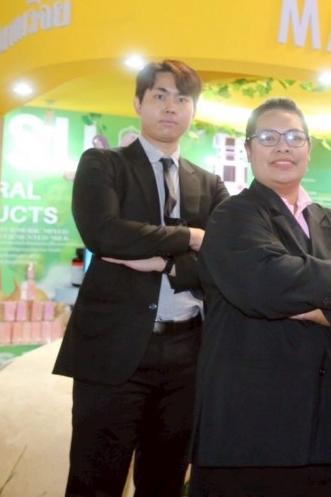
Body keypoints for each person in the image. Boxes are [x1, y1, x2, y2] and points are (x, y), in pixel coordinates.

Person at [190, 97, 331, 497]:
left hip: (329, 423)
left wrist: (322, 312)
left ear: (309, 148)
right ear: (248, 149)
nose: (282, 147)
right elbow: (267, 284)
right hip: (250, 429)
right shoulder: (233, 215)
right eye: (268, 137)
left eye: (293, 137)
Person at [54, 59, 229, 496]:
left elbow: (226, 260)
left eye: (182, 99)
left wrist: (167, 263)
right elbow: (104, 233)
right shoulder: (103, 164)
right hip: (113, 350)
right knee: (95, 482)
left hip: (188, 353)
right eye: (159, 96)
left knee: (166, 482)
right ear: (138, 103)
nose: (171, 107)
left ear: (193, 110)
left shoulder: (210, 185)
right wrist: (190, 236)